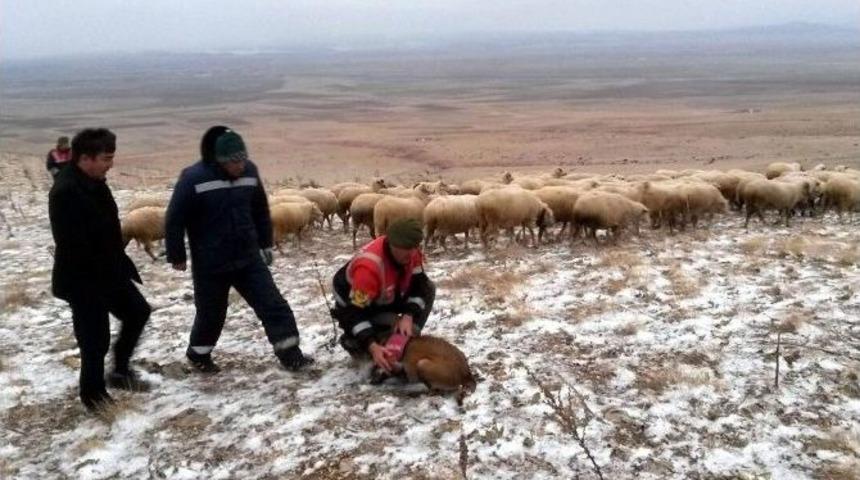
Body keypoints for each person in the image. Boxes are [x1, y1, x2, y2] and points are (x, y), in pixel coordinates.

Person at [165, 126, 314, 373]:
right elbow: (175, 218)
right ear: (220, 160)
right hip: (210, 261)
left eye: (243, 159)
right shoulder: (193, 178)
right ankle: (199, 354)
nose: (241, 166)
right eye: (235, 162)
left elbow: (260, 209)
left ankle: (290, 355)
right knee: (211, 313)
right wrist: (177, 254)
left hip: (248, 256)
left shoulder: (250, 172)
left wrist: (265, 243)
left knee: (273, 304)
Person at [48, 128, 152, 413]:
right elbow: (72, 244)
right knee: (94, 339)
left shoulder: (95, 182)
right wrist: (101, 281)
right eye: (106, 158)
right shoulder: (65, 192)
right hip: (83, 279)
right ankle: (93, 396)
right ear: (85, 158)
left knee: (137, 312)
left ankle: (119, 371)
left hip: (109, 271)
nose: (111, 164)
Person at [330, 217, 436, 378]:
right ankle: (356, 343)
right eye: (406, 248)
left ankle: (406, 339)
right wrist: (372, 346)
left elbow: (420, 285)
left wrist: (408, 315)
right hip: (356, 307)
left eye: (415, 247)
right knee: (379, 329)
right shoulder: (369, 269)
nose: (412, 253)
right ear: (392, 244)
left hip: (386, 295)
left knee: (429, 288)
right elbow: (354, 313)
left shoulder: (411, 253)